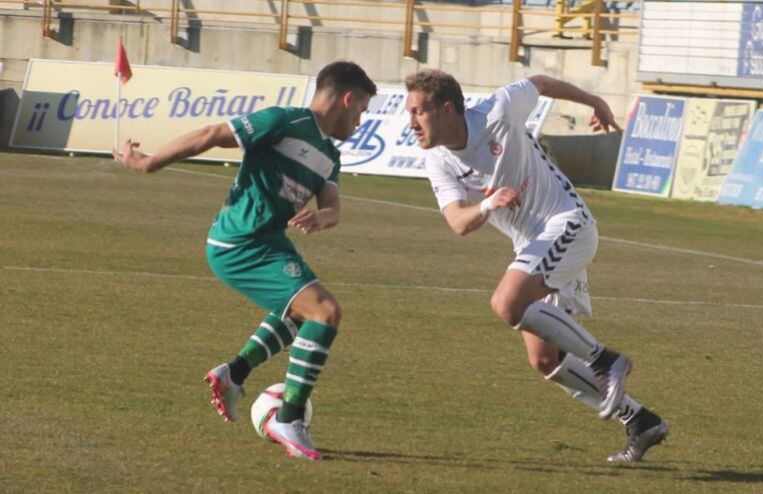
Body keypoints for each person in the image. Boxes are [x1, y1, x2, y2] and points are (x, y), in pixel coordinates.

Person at [114, 61, 377, 461]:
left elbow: (333, 205)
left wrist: (324, 216)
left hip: (270, 243)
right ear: (347, 98)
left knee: (306, 314)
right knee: (325, 312)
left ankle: (233, 375)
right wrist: (147, 163)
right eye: (360, 110)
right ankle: (287, 418)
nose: (360, 121)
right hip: (238, 244)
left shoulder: (329, 155)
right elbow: (211, 134)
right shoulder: (283, 121)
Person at [405, 69, 668, 462]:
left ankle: (606, 359)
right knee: (544, 358)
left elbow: (541, 83)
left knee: (507, 303)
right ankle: (640, 421)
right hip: (534, 243)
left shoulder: (500, 110)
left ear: (445, 110)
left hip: (568, 224)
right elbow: (459, 222)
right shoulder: (438, 161)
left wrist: (594, 101)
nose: (410, 122)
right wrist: (489, 204)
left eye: (417, 112)